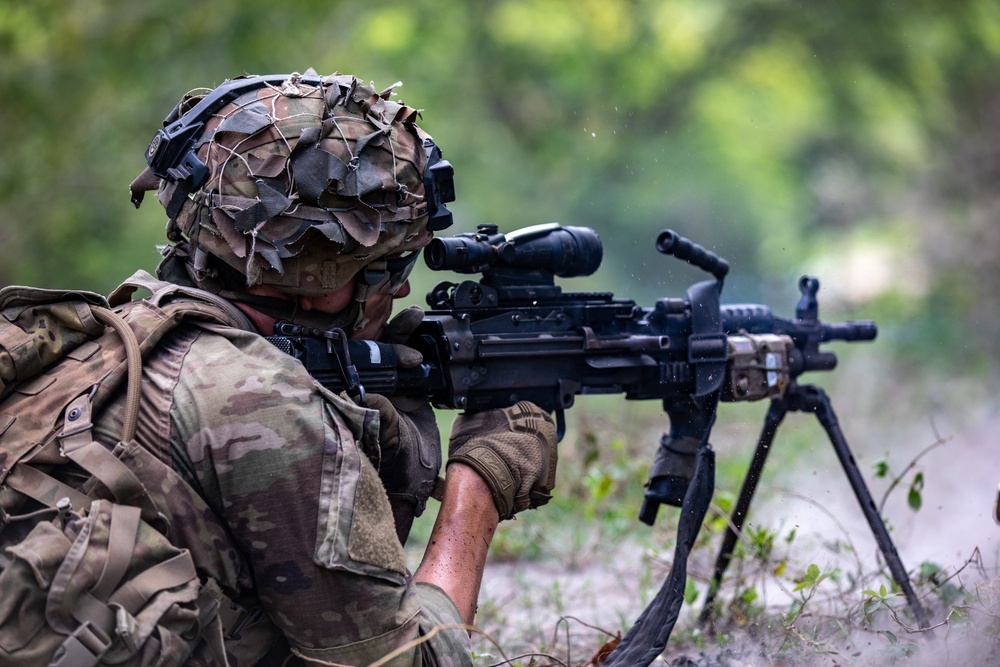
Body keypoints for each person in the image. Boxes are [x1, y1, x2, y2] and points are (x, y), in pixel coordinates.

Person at [119, 70, 559, 666]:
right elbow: (408, 662)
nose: (400, 292)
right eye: (389, 267)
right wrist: (477, 488)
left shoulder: (120, 333)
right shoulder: (257, 405)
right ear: (323, 286)